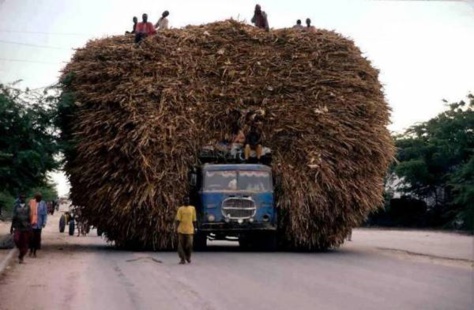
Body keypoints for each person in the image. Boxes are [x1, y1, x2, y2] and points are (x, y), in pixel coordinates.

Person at [10, 194, 31, 264]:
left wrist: (30, 227)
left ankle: (21, 257)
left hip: (25, 227)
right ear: (19, 199)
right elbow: (14, 217)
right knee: (16, 239)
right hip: (17, 226)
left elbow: (29, 217)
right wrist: (11, 227)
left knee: (25, 243)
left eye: (24, 198)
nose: (22, 199)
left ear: (25, 199)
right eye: (21, 198)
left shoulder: (28, 207)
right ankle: (20, 250)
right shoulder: (16, 207)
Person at [175, 197, 197, 264]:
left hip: (190, 229)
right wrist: (176, 228)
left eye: (188, 200)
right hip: (181, 230)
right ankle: (182, 259)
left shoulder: (192, 208)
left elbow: (194, 219)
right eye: (185, 200)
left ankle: (188, 256)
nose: (187, 201)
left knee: (189, 244)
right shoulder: (180, 209)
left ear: (189, 201)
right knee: (181, 245)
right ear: (183, 201)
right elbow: (178, 219)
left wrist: (195, 228)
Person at [29, 193, 47, 257]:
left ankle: (34, 252)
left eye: (40, 198)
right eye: (38, 198)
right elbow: (28, 212)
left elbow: (44, 214)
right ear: (35, 198)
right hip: (31, 224)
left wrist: (44, 222)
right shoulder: (31, 202)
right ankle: (31, 250)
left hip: (39, 224)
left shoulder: (43, 203)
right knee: (31, 238)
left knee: (37, 238)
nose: (39, 199)